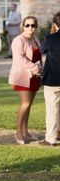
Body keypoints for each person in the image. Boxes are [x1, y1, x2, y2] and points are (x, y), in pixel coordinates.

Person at [8, 15, 42, 145]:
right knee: (25, 104)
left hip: (34, 77)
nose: (30, 28)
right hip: (22, 77)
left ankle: (26, 132)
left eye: (33, 25)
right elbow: (20, 59)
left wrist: (41, 71)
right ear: (22, 26)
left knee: (29, 105)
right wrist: (36, 69)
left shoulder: (36, 39)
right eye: (27, 25)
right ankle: (18, 133)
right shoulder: (18, 40)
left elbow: (39, 58)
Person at [40, 12, 60, 146]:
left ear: (55, 24)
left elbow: (41, 50)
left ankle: (51, 138)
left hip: (53, 78)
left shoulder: (50, 38)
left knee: (52, 109)